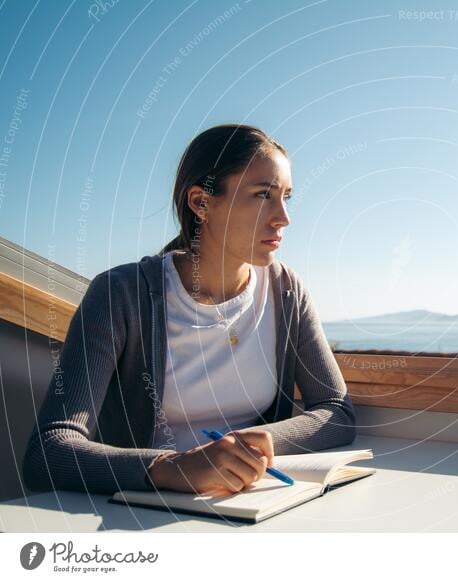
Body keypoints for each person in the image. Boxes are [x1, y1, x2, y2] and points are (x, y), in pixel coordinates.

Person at [22, 124, 356, 497]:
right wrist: (171, 468)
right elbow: (48, 452)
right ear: (201, 203)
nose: (283, 217)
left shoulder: (287, 292)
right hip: (140, 516)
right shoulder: (119, 295)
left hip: (251, 509)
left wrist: (244, 446)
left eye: (286, 197)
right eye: (263, 195)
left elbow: (336, 411)